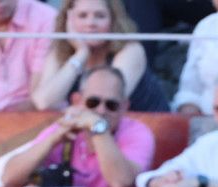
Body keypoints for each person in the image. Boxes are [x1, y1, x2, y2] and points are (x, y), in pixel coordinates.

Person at [1, 64, 154, 187]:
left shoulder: (138, 133)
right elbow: (9, 178)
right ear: (77, 101)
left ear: (124, 107)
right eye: (93, 102)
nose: (101, 110)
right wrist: (53, 139)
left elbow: (120, 182)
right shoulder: (65, 127)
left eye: (111, 105)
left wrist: (97, 127)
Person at [31, 0, 169, 113]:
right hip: (94, 133)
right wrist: (81, 54)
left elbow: (107, 104)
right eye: (82, 16)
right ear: (68, 20)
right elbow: (43, 102)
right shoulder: (60, 51)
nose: (91, 23)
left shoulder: (131, 50)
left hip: (149, 131)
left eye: (100, 16)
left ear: (113, 21)